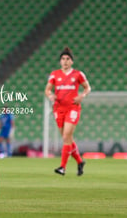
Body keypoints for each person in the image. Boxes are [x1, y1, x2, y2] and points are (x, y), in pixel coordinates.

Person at [44, 47, 91, 176]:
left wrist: (82, 96)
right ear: (60, 61)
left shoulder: (78, 74)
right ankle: (80, 162)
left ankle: (62, 167)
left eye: (68, 59)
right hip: (59, 109)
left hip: (73, 108)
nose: (65, 61)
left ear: (72, 61)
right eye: (63, 59)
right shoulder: (54, 74)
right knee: (68, 138)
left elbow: (87, 88)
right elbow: (47, 90)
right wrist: (50, 96)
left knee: (66, 137)